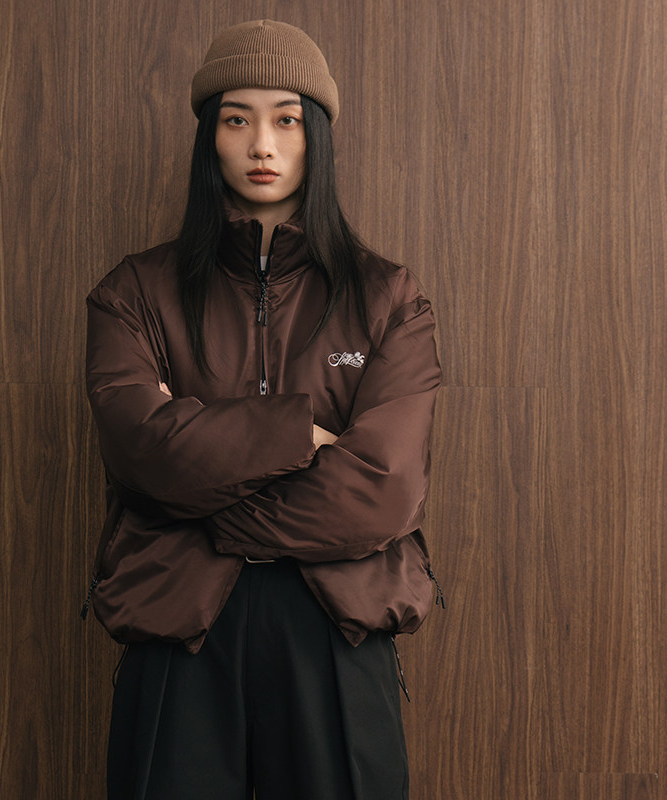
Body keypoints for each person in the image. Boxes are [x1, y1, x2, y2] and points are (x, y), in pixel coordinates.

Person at [83, 19, 442, 800]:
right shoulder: (134, 294)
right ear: (208, 138)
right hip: (178, 630)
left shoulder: (388, 298)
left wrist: (201, 487)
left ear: (317, 135)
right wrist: (298, 434)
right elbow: (144, 453)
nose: (262, 145)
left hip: (339, 632)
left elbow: (382, 490)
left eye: (286, 119)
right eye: (236, 119)